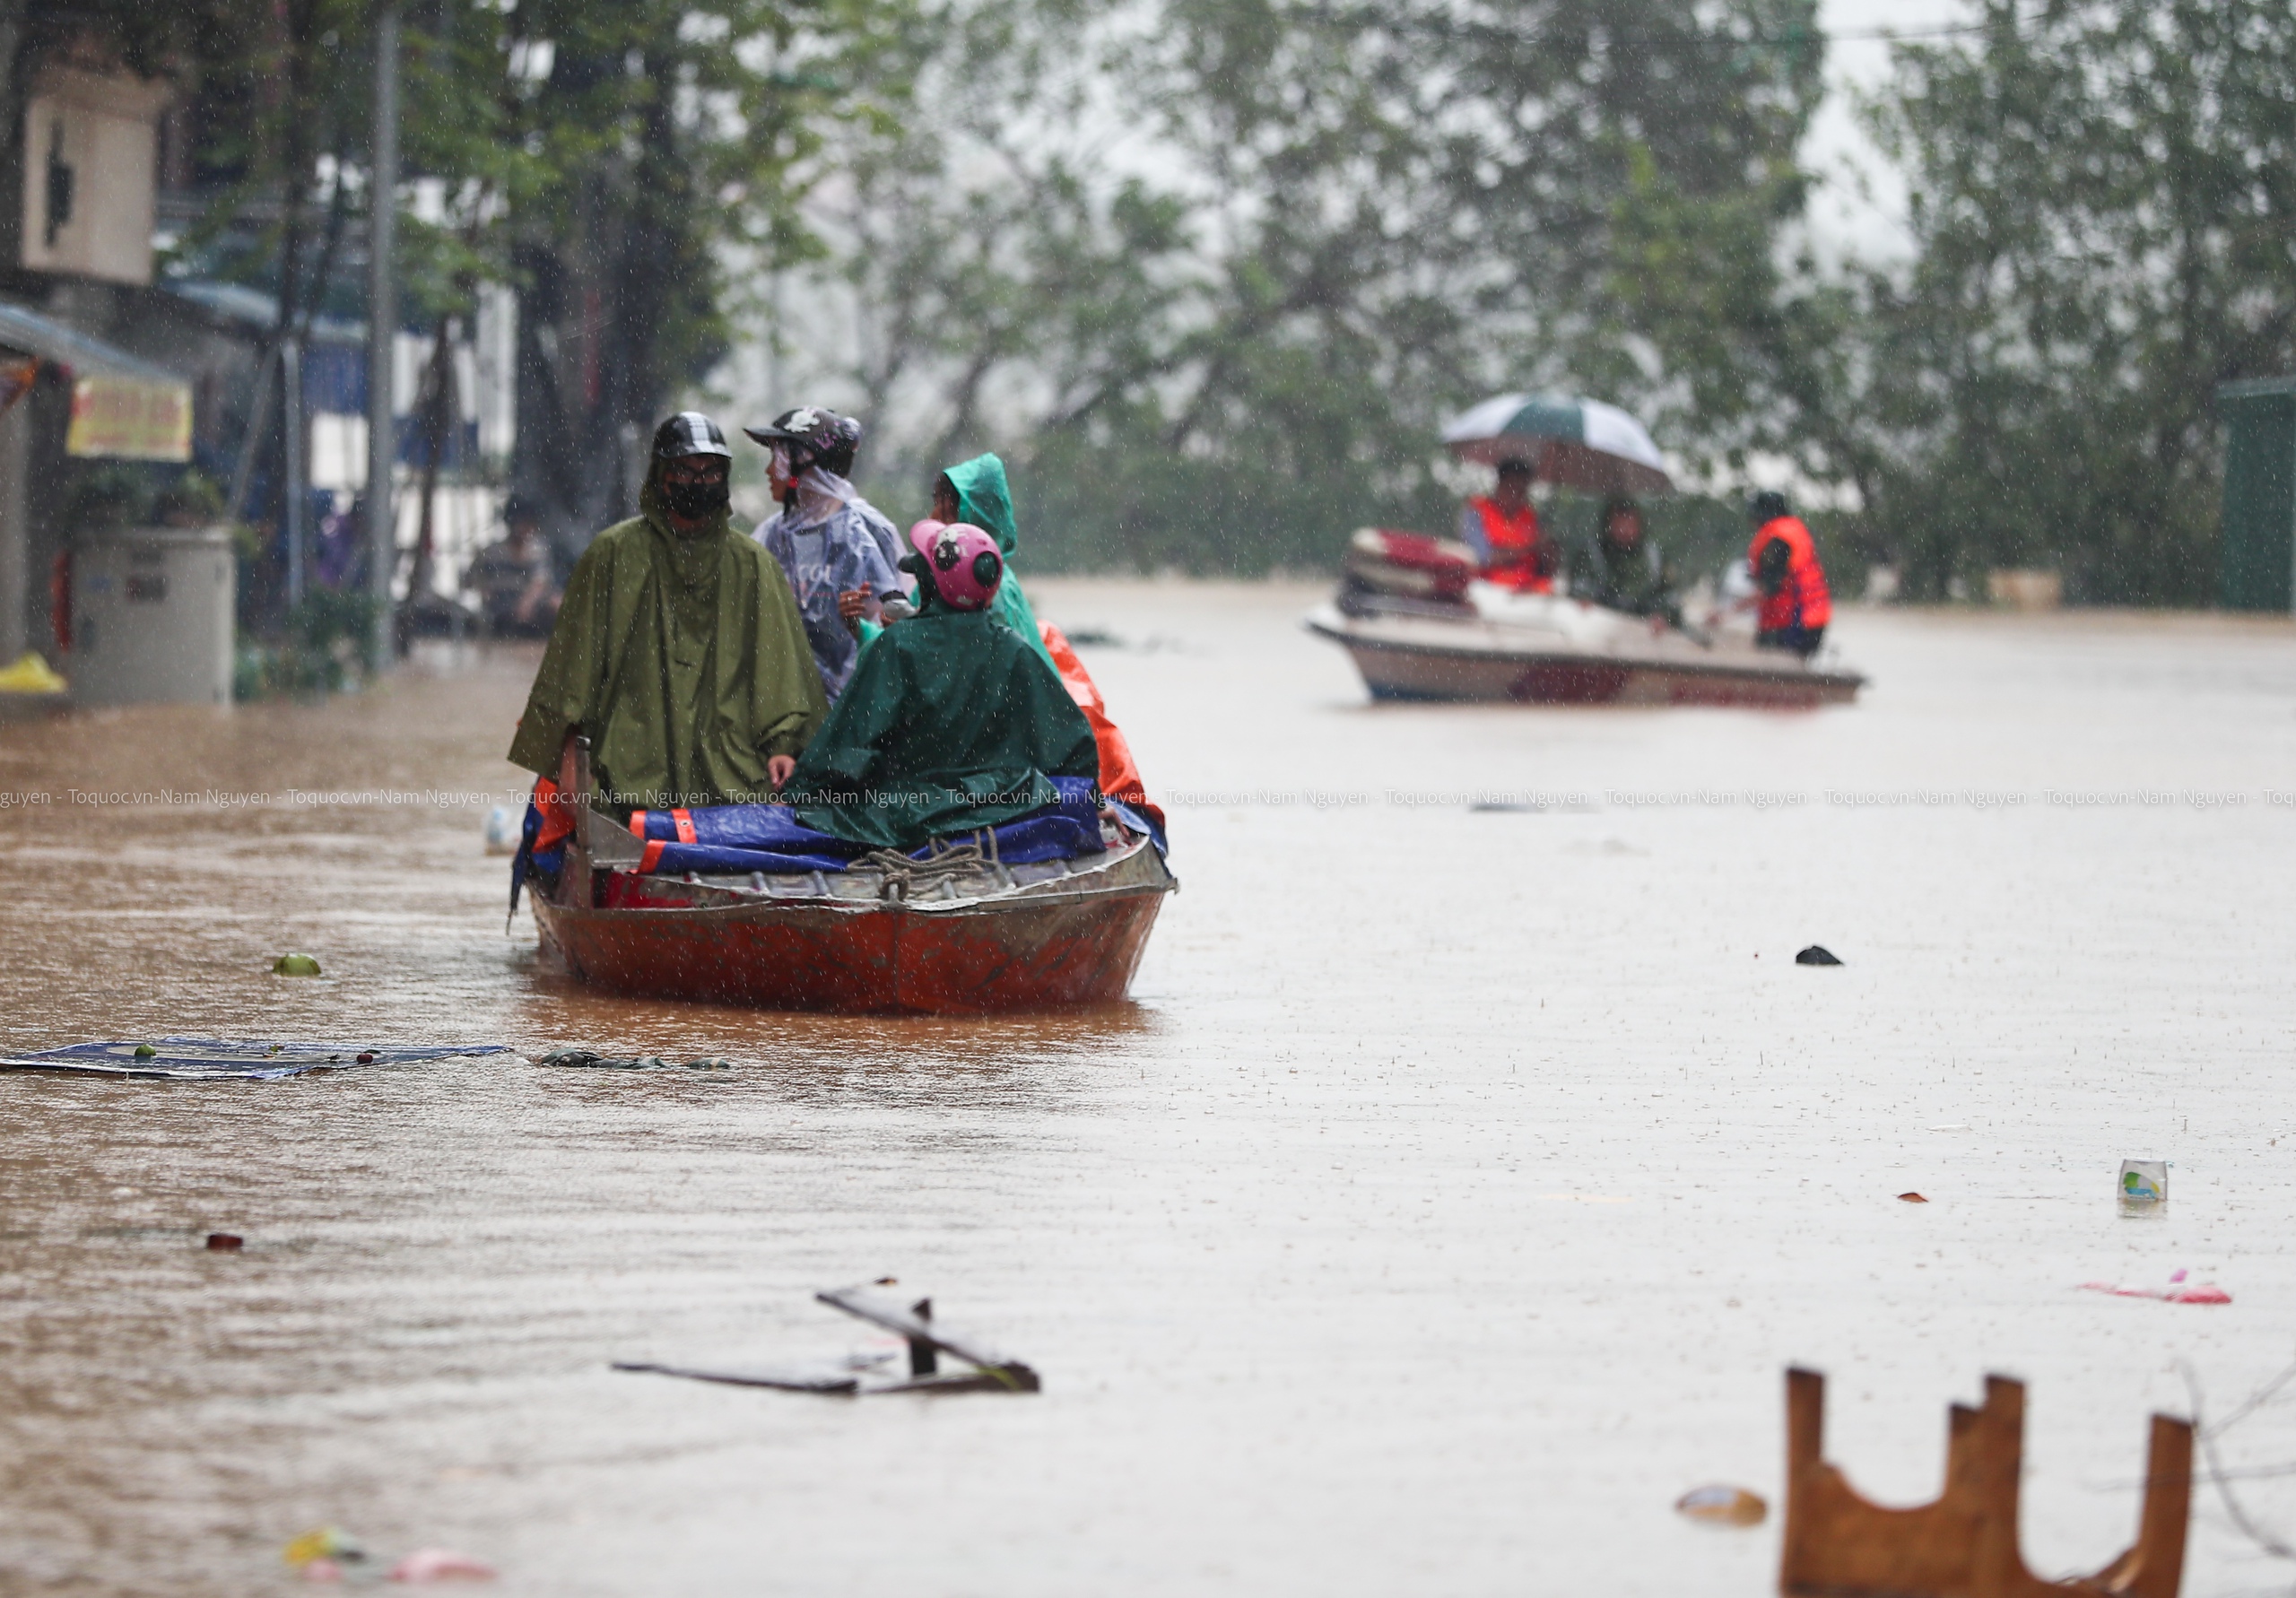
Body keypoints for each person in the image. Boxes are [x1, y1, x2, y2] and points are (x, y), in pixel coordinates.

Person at [506, 413, 827, 814]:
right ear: (660, 475)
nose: (698, 482)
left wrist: (784, 749)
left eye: (710, 472)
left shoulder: (754, 565)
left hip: (733, 780)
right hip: (629, 773)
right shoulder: (611, 557)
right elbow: (573, 674)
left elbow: (780, 674)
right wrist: (569, 763)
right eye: (684, 471)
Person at [780, 517, 1099, 851]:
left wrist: (800, 790)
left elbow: (848, 745)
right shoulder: (1013, 649)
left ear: (932, 584)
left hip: (903, 814)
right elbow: (1073, 745)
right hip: (1000, 807)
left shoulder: (898, 644)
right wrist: (1093, 803)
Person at [745, 405, 914, 699]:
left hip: (857, 711)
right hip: (785, 706)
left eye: (778, 458)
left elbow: (893, 628)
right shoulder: (773, 535)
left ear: (802, 464)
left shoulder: (868, 532)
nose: (770, 470)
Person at [931, 452, 1058, 670]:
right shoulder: (998, 580)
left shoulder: (976, 589)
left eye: (943, 508)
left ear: (966, 518)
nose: (931, 517)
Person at [1745, 490, 1832, 656]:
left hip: (1797, 620)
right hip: (1815, 617)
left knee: (1774, 666)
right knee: (1786, 667)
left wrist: (1724, 614)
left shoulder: (1777, 540)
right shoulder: (1793, 530)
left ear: (1762, 516)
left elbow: (1767, 588)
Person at [1567, 497, 1679, 624]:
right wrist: (1583, 598)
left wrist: (1664, 614)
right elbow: (1579, 585)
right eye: (1619, 522)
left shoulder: (1655, 558)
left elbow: (1669, 597)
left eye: (1630, 523)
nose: (1624, 529)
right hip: (1599, 626)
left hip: (1642, 631)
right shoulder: (1592, 554)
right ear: (1609, 524)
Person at [464, 493, 561, 638]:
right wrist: (484, 589)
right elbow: (470, 580)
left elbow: (540, 582)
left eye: (530, 524)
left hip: (532, 606)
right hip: (500, 606)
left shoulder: (537, 550)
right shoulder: (492, 552)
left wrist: (527, 604)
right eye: (522, 523)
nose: (526, 529)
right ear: (511, 523)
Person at [1459, 457, 1555, 592]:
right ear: (1500, 484)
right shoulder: (1477, 511)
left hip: (1527, 591)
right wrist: (1527, 549)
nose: (1517, 495)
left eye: (1522, 490)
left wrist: (1549, 551)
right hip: (1487, 588)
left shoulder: (1531, 517)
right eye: (1513, 487)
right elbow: (1481, 558)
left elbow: (1546, 570)